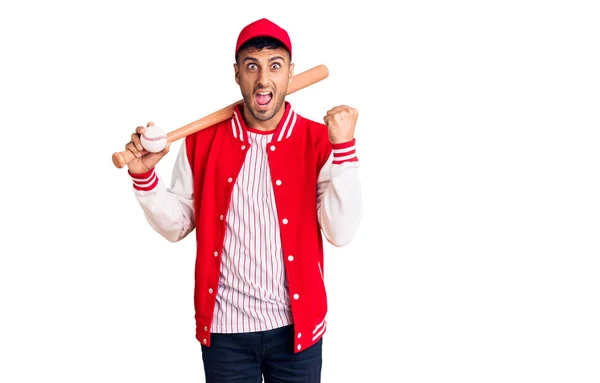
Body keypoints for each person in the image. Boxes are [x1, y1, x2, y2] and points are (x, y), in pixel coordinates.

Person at [123, 17, 362, 382]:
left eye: (275, 66)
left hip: (296, 332)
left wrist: (344, 149)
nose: (264, 79)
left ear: (290, 73)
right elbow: (177, 226)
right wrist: (144, 176)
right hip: (225, 334)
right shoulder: (201, 142)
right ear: (237, 74)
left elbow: (341, 232)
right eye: (252, 66)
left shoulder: (318, 141)